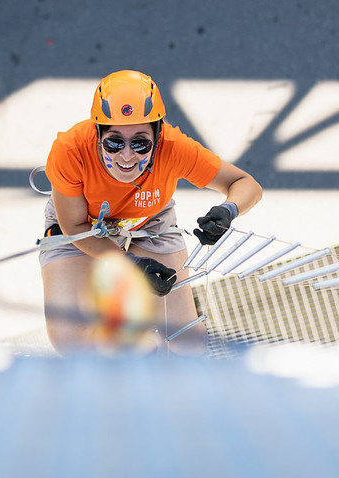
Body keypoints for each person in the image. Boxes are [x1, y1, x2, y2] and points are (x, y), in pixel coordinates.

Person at [40, 70, 262, 355]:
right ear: (97, 135)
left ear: (157, 137)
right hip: (85, 227)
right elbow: (74, 226)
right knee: (71, 342)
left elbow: (245, 184)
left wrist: (227, 210)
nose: (127, 155)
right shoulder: (70, 150)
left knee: (188, 344)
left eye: (141, 142)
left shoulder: (174, 147)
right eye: (114, 142)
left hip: (150, 221)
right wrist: (128, 263)